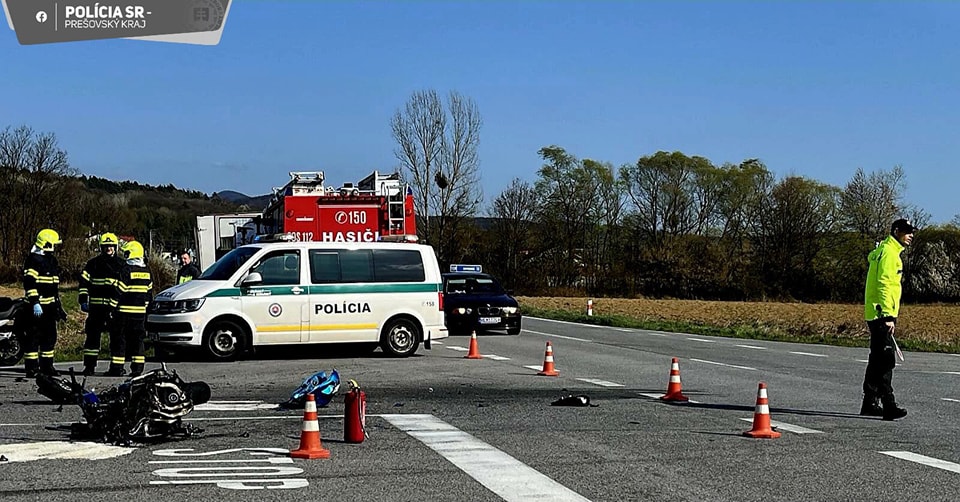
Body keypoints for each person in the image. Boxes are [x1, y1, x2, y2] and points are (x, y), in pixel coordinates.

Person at [860, 218, 915, 420]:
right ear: (897, 231)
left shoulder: (887, 251)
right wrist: (887, 316)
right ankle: (888, 403)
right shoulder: (890, 254)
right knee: (885, 360)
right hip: (882, 314)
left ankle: (870, 402)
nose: (911, 236)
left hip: (878, 312)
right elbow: (884, 284)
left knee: (876, 358)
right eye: (907, 232)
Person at [77, 232, 125, 376]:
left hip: (114, 309)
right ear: (101, 247)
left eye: (111, 246)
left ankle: (116, 368)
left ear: (115, 247)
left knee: (117, 338)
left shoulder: (122, 264)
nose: (109, 248)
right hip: (96, 308)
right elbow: (83, 283)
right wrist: (83, 300)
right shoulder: (93, 264)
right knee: (92, 338)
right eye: (106, 246)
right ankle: (89, 367)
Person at [21, 228, 67, 377]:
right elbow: (29, 282)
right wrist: (35, 302)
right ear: (47, 244)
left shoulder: (51, 260)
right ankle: (32, 368)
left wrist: (58, 307)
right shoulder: (33, 260)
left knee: (49, 337)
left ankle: (47, 367)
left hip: (50, 307)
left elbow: (54, 287)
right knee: (33, 338)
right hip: (36, 307)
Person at [106, 240, 153, 377]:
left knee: (119, 340)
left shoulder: (127, 270)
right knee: (137, 341)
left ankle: (117, 368)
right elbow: (148, 293)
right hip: (139, 315)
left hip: (123, 313)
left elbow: (119, 291)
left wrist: (111, 308)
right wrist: (143, 308)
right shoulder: (147, 271)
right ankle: (137, 369)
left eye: (127, 253)